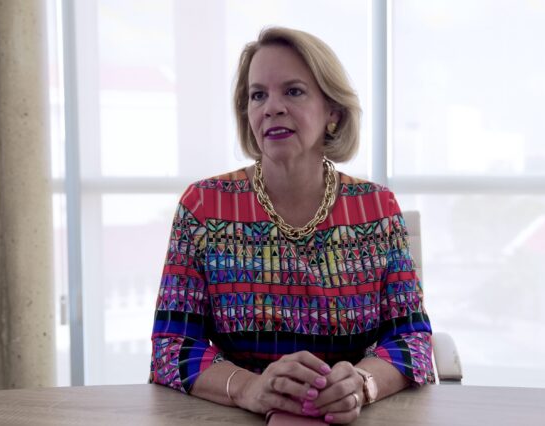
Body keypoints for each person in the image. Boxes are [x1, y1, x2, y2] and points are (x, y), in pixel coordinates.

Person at [150, 26, 434, 425]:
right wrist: (250, 388)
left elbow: (412, 339)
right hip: (236, 416)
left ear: (333, 112)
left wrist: (362, 384)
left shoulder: (376, 208)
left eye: (293, 91)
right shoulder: (203, 207)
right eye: (258, 95)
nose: (272, 108)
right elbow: (172, 346)